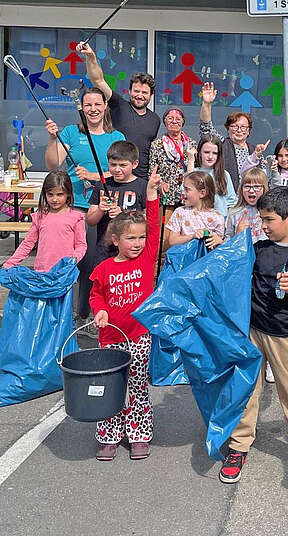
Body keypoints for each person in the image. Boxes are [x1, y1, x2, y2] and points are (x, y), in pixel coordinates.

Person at [220, 187, 288, 485]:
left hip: (286, 336)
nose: (263, 225)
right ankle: (239, 446)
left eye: (269, 219)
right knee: (247, 391)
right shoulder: (259, 249)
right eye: (262, 219)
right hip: (253, 331)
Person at [89, 168, 161, 461]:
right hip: (109, 339)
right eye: (131, 238)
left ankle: (139, 433)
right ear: (115, 240)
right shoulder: (104, 269)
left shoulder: (146, 259)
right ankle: (109, 435)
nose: (138, 243)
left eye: (141, 237)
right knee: (111, 386)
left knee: (137, 386)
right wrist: (101, 311)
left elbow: (155, 225)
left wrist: (153, 193)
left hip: (139, 336)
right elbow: (96, 296)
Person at [44, 86, 125, 326]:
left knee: (93, 262)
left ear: (105, 107)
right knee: (69, 262)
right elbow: (52, 163)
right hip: (73, 208)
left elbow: (122, 171)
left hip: (100, 208)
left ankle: (85, 315)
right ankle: (63, 315)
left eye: (97, 104)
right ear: (81, 107)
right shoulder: (70, 133)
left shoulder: (116, 137)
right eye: (88, 104)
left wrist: (93, 175)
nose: (93, 109)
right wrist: (51, 138)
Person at [78, 42, 160, 181]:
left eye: (144, 92)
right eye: (136, 91)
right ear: (129, 91)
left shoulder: (155, 119)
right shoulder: (119, 105)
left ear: (151, 95)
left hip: (141, 181)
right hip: (115, 178)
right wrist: (91, 56)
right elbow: (98, 80)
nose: (139, 95)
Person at [3, 170, 86, 272]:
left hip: (65, 273)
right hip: (42, 272)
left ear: (68, 193)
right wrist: (9, 264)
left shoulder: (76, 218)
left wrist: (73, 259)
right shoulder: (40, 216)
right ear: (45, 194)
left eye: (60, 194)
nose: (54, 199)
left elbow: (81, 245)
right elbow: (28, 243)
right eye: (50, 194)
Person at [86, 141, 148, 267]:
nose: (117, 169)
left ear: (134, 164)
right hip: (104, 251)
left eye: (123, 165)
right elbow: (90, 221)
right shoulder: (102, 185)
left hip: (132, 253)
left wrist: (124, 214)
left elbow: (150, 220)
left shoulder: (143, 186)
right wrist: (100, 210)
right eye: (113, 165)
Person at [199, 83, 269, 188]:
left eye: (243, 127)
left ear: (249, 130)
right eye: (235, 126)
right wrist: (206, 103)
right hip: (226, 197)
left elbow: (263, 176)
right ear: (228, 128)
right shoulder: (221, 143)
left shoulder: (254, 150)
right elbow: (206, 127)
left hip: (250, 198)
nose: (239, 130)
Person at [148, 107, 197, 208]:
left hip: (186, 194)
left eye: (178, 119)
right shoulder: (157, 145)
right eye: (170, 118)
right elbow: (152, 172)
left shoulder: (191, 144)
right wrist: (160, 184)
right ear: (165, 121)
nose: (174, 121)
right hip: (167, 196)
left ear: (183, 122)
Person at [165, 171, 225, 250]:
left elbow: (218, 248)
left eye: (187, 189)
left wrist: (218, 241)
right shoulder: (180, 212)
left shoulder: (217, 217)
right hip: (183, 260)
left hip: (206, 261)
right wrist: (193, 236)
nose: (182, 192)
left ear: (202, 193)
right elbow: (172, 241)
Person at [187, 134, 237, 217]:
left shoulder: (224, 175)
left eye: (214, 153)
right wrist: (191, 161)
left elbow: (232, 202)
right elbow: (185, 194)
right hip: (196, 222)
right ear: (199, 153)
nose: (210, 156)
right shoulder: (193, 171)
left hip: (219, 223)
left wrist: (227, 222)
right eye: (206, 152)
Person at [224, 167, 269, 245]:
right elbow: (228, 239)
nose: (251, 191)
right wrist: (238, 234)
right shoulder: (234, 212)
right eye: (247, 186)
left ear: (264, 188)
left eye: (257, 187)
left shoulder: (269, 211)